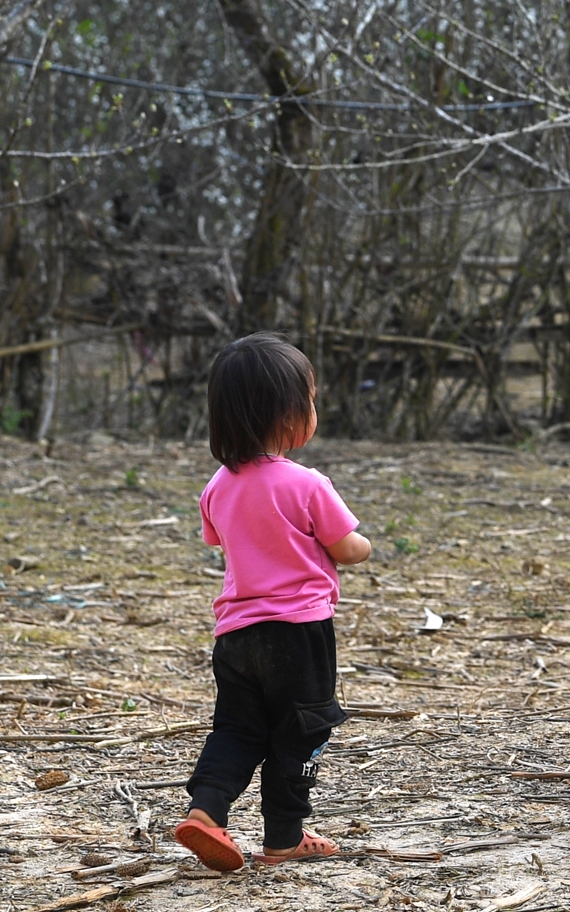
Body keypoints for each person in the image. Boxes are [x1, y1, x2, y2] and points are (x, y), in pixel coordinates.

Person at [174, 333, 371, 871]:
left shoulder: (217, 486)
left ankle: (207, 811)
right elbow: (347, 547)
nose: (314, 408)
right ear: (287, 413)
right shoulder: (307, 484)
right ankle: (284, 836)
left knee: (238, 728)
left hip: (235, 635)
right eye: (309, 399)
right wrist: (363, 544)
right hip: (298, 635)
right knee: (302, 728)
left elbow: (220, 539)